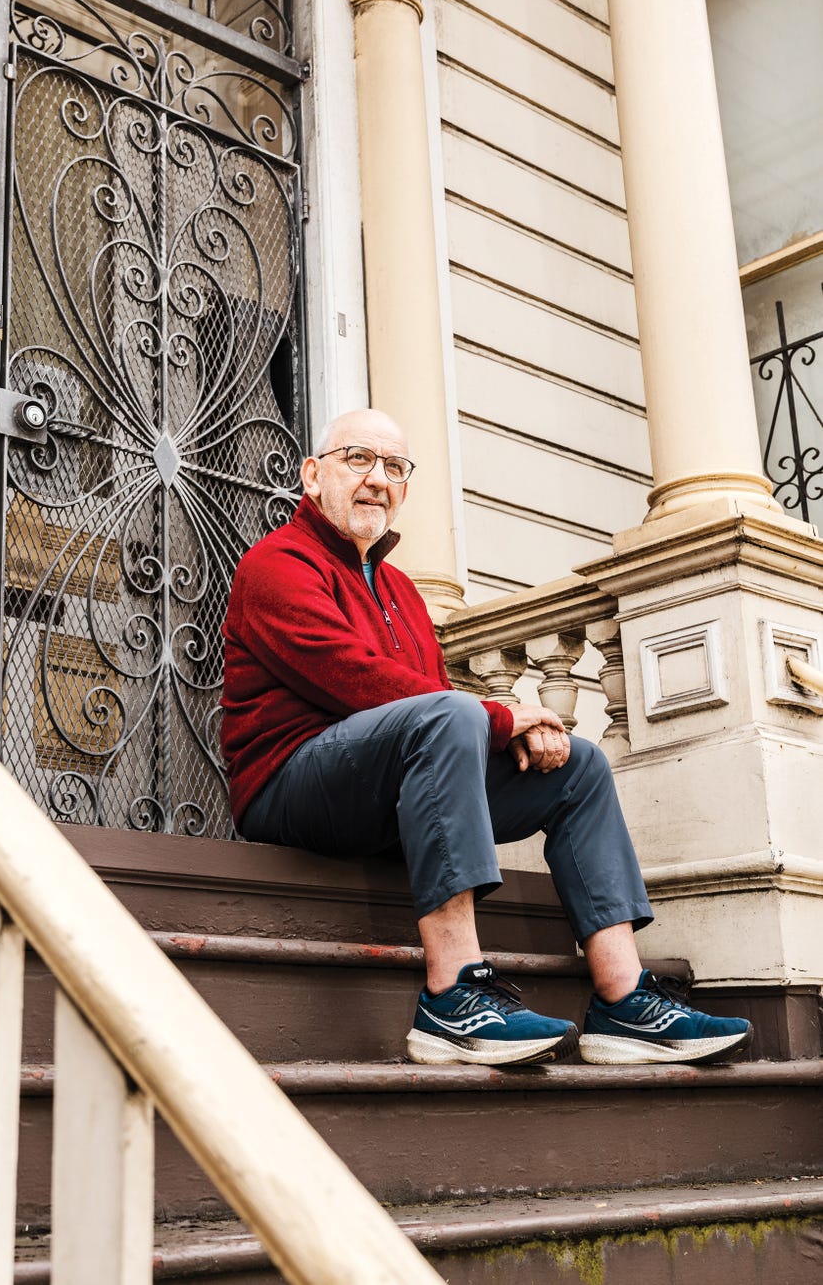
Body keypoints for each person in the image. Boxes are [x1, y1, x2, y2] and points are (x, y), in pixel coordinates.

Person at [221, 408, 752, 1067]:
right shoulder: (275, 563)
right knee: (455, 716)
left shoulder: (402, 594)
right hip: (289, 784)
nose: (377, 479)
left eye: (394, 468)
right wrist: (503, 720)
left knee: (579, 767)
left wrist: (506, 736)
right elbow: (353, 681)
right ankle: (452, 997)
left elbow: (426, 711)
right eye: (358, 458)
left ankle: (623, 1002)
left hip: (381, 793)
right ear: (312, 474)